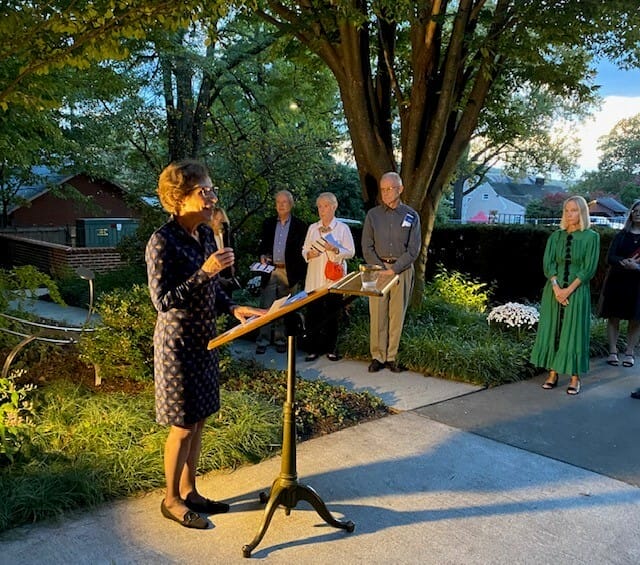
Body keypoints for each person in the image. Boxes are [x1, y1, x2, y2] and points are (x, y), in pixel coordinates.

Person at [145, 160, 264, 529]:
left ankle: (191, 491)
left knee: (198, 423)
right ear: (179, 199)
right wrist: (205, 272)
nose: (212, 197)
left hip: (205, 341)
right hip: (177, 345)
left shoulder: (207, 236)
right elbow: (163, 300)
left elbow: (212, 293)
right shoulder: (162, 241)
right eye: (204, 191)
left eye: (213, 190)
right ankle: (171, 499)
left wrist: (233, 307)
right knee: (181, 426)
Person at [531, 195, 600, 396]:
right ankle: (552, 373)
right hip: (553, 291)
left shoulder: (591, 237)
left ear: (582, 212)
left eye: (575, 210)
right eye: (567, 210)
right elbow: (549, 263)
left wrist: (568, 290)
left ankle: (574, 377)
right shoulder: (555, 236)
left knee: (574, 332)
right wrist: (556, 288)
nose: (570, 214)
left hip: (577, 291)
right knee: (553, 330)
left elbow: (588, 268)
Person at [361, 171, 421, 373]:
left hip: (401, 270)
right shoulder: (373, 215)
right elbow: (366, 246)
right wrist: (379, 267)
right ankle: (377, 356)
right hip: (377, 270)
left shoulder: (411, 216)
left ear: (400, 189)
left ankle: (391, 357)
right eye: (383, 189)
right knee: (377, 314)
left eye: (390, 189)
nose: (386, 193)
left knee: (396, 314)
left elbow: (414, 249)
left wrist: (395, 268)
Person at [301, 192, 355, 361]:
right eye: (319, 207)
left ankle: (331, 349)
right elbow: (304, 249)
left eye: (325, 206)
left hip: (334, 278)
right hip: (315, 277)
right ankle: (313, 349)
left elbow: (351, 252)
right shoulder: (312, 228)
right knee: (313, 314)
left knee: (332, 314)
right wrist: (308, 253)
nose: (322, 210)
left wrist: (336, 249)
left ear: (334, 206)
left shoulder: (342, 228)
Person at [255, 190, 308, 354]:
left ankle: (281, 340)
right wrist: (262, 255)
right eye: (278, 202)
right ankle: (262, 340)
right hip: (270, 271)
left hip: (289, 272)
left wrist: (299, 274)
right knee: (266, 306)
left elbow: (303, 252)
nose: (281, 205)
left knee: (284, 308)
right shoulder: (268, 223)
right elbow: (262, 245)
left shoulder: (300, 226)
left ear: (291, 204)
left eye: (284, 202)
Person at [597, 200, 640, 398]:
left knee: (635, 319)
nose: (638, 214)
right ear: (630, 214)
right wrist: (624, 262)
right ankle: (613, 351)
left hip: (638, 284)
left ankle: (629, 353)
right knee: (613, 317)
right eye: (635, 211)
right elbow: (610, 257)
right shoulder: (621, 235)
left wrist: (637, 267)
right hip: (618, 281)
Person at [209, 207, 240, 295]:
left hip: (226, 270)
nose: (218, 222)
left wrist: (234, 267)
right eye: (216, 219)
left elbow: (233, 251)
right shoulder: (207, 235)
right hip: (214, 269)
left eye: (221, 219)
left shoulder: (227, 235)